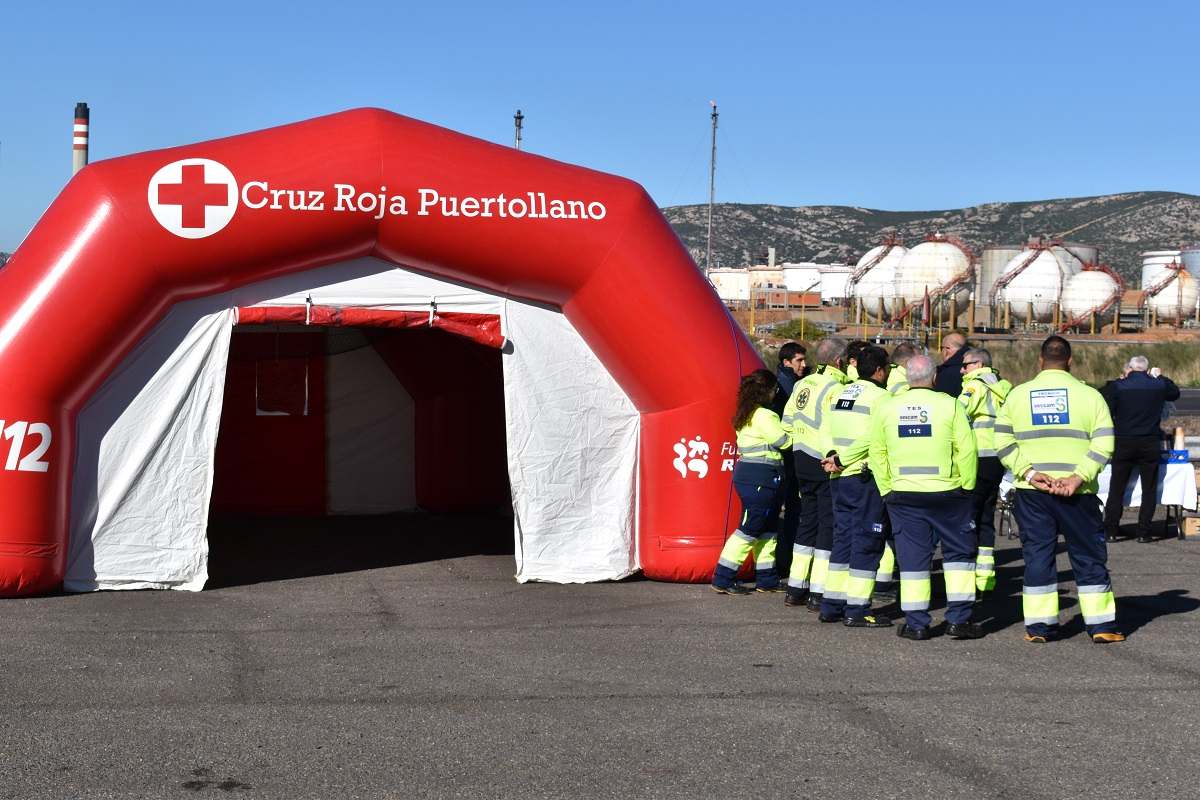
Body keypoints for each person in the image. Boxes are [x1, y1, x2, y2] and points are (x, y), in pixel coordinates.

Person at [994, 335, 1123, 644]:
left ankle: (1039, 626)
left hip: (1032, 492)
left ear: (1040, 361)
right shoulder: (1090, 396)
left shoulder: (1017, 395)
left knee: (1038, 556)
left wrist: (1029, 472)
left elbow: (1002, 441)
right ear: (1070, 361)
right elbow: (1105, 442)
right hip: (1078, 493)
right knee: (1088, 555)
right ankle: (1101, 625)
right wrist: (1079, 476)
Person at [867, 354, 982, 640]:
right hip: (948, 492)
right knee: (959, 555)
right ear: (934, 377)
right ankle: (959, 619)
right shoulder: (951, 405)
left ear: (907, 378)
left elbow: (877, 452)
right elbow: (967, 450)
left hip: (903, 494)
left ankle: (917, 623)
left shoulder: (887, 407)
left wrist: (886, 489)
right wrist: (967, 487)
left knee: (913, 560)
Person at [818, 344, 893, 628]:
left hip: (838, 477)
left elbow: (825, 428)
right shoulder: (882, 398)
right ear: (880, 370)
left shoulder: (841, 392)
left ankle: (831, 604)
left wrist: (831, 456)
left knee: (843, 539)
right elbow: (873, 438)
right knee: (867, 541)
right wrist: (843, 459)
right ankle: (857, 609)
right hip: (863, 476)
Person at [781, 337, 850, 609]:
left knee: (807, 523)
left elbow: (787, 422)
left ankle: (795, 587)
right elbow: (837, 427)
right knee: (827, 525)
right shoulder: (835, 387)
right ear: (839, 361)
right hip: (823, 461)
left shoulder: (802, 384)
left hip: (800, 458)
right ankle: (818, 591)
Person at [712, 370, 788, 595]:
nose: (776, 393)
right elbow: (783, 441)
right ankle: (723, 577)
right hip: (761, 476)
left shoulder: (747, 413)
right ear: (767, 391)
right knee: (750, 527)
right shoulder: (765, 415)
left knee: (767, 528)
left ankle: (767, 578)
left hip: (753, 475)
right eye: (775, 390)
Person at [1100, 355, 1180, 543]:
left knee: (1117, 488)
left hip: (1124, 441)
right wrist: (1160, 376)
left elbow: (1102, 395)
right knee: (1149, 489)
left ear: (1130, 368)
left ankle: (1111, 530)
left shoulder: (1119, 386)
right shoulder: (1158, 385)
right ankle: (1144, 532)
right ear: (1146, 369)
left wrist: (1120, 379)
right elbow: (1174, 393)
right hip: (1149, 441)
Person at [958, 347, 1012, 592]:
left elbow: (957, 412)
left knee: (968, 516)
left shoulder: (974, 385)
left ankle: (966, 576)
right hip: (997, 459)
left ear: (978, 364)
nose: (962, 370)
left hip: (977, 458)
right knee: (987, 516)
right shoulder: (1002, 387)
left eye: (965, 365)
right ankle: (986, 577)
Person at [772, 342, 807, 577]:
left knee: (792, 510)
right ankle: (783, 561)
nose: (803, 365)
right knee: (788, 511)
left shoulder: (793, 383)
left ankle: (785, 560)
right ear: (786, 362)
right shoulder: (784, 387)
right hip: (787, 458)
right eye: (799, 361)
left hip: (791, 458)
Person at [933, 332, 967, 396]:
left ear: (947, 349)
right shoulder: (977, 365)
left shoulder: (945, 374)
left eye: (941, 348)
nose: (941, 351)